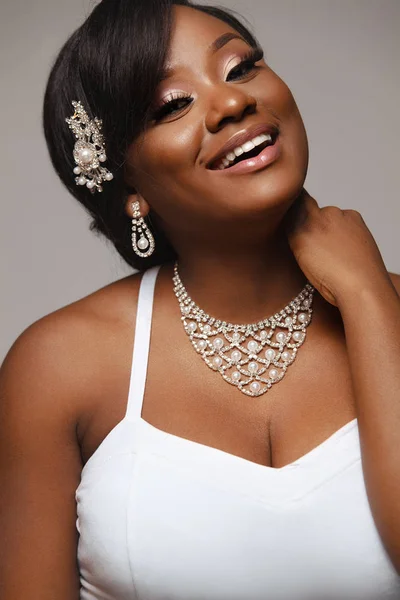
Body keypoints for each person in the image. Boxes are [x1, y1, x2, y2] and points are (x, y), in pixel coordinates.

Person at [1, 0, 400, 598]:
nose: (234, 102)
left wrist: (369, 298)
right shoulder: (57, 366)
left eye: (240, 67)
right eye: (172, 105)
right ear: (129, 185)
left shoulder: (386, 306)